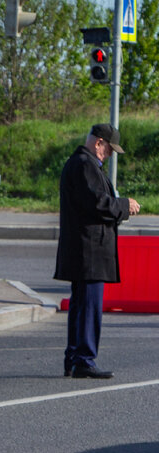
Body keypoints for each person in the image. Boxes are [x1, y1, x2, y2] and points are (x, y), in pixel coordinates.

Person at [54, 124, 140, 380]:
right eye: (109, 150)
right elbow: (97, 203)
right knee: (88, 307)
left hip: (85, 249)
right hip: (89, 249)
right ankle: (84, 359)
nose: (110, 155)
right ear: (99, 143)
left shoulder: (82, 163)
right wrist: (125, 205)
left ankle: (75, 358)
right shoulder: (85, 164)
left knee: (81, 306)